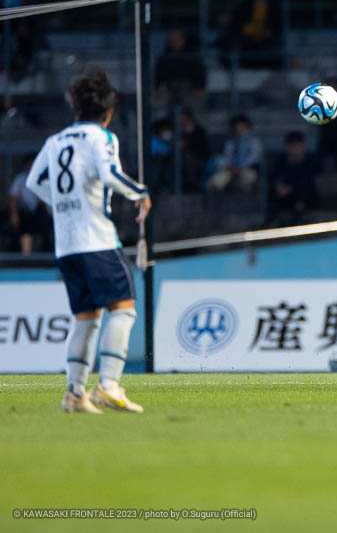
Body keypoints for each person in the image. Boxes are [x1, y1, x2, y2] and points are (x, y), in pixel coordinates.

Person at [25, 67, 151, 414]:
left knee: (86, 318)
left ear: (76, 108)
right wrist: (140, 193)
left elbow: (34, 182)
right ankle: (109, 385)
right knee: (123, 308)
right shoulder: (102, 137)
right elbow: (110, 174)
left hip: (66, 245)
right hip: (97, 238)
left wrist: (62, 205)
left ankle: (75, 394)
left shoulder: (55, 141)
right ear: (108, 112)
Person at [216, 0, 282, 69]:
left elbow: (275, 26)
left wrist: (269, 32)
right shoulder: (245, 4)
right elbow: (236, 20)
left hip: (262, 40)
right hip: (245, 38)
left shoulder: (273, 6)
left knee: (270, 54)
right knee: (227, 42)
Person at [268, 131, 317, 227]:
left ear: (302, 146)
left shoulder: (310, 160)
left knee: (302, 192)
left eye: (297, 145)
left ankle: (297, 219)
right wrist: (279, 186)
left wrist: (291, 188)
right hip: (284, 195)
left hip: (305, 196)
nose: (294, 148)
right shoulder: (281, 160)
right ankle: (272, 221)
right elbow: (274, 176)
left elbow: (307, 179)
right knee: (273, 192)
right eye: (292, 146)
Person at [207, 114, 262, 192]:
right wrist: (231, 167)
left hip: (246, 169)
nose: (238, 128)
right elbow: (227, 156)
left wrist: (240, 167)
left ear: (247, 126)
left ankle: (244, 195)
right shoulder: (231, 142)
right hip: (231, 169)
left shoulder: (254, 141)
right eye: (237, 126)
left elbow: (254, 157)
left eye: (241, 126)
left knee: (250, 177)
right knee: (215, 181)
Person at [9, 154, 50, 255]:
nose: (31, 167)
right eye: (29, 164)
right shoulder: (20, 179)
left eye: (33, 164)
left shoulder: (44, 178)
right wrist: (14, 215)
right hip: (25, 212)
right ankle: (26, 257)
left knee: (44, 218)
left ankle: (46, 252)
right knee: (26, 227)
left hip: (41, 212)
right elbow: (13, 198)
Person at [154, 29, 207, 102]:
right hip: (169, 88)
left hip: (189, 89)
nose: (174, 42)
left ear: (183, 40)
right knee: (158, 101)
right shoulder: (164, 57)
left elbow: (200, 73)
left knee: (196, 100)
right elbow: (158, 75)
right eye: (172, 39)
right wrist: (157, 89)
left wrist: (200, 88)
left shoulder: (192, 56)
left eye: (177, 39)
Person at [177, 108, 210, 192]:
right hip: (181, 158)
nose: (182, 121)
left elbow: (202, 146)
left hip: (199, 158)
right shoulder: (178, 132)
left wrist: (187, 144)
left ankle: (192, 184)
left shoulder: (199, 130)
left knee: (188, 158)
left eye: (184, 119)